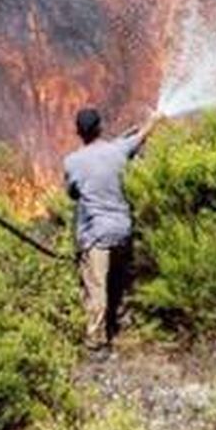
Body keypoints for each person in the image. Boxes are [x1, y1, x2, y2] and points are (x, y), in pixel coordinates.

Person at [63, 107, 164, 355]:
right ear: (100, 128)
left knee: (96, 289)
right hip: (123, 231)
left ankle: (96, 344)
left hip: (97, 236)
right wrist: (153, 119)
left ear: (78, 132)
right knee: (117, 283)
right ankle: (122, 322)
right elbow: (141, 136)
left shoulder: (72, 161)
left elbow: (73, 193)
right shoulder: (118, 150)